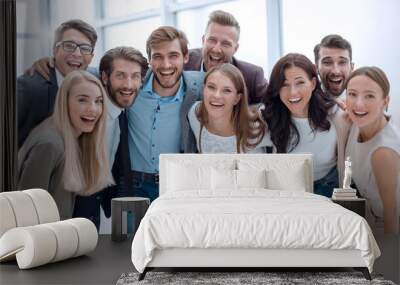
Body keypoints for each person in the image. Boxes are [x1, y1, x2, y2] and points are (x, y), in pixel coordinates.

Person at [18, 70, 113, 222]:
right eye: (82, 100)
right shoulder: (50, 145)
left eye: (98, 101)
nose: (93, 109)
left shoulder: (74, 137)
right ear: (64, 101)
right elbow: (26, 211)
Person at [73, 47, 149, 226]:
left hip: (98, 208)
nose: (128, 85)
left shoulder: (120, 113)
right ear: (105, 78)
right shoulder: (88, 114)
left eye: (135, 76)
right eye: (120, 75)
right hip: (72, 211)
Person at [127, 26, 204, 201]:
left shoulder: (199, 87)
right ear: (149, 60)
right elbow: (99, 75)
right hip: (134, 185)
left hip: (177, 184)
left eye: (173, 56)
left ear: (185, 57)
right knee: (130, 230)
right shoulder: (132, 87)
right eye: (158, 57)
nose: (166, 65)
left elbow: (233, 81)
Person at [262, 53, 349, 197]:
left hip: (329, 187)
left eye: (300, 82)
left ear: (313, 83)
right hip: (289, 191)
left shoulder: (335, 114)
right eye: (284, 85)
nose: (292, 92)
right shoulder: (269, 117)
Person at [17, 19, 97, 148]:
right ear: (55, 50)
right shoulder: (27, 88)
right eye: (69, 45)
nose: (77, 54)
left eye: (85, 48)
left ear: (92, 56)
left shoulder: (94, 79)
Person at [344, 66, 399, 234]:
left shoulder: (383, 154)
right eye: (352, 94)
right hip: (373, 220)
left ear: (385, 101)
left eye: (369, 96)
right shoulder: (359, 122)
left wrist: (389, 258)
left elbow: (393, 217)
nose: (359, 103)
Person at [184, 10, 268, 105]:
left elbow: (272, 106)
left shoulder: (252, 76)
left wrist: (242, 114)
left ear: (235, 49)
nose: (216, 49)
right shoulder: (184, 61)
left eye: (225, 44)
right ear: (203, 41)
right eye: (212, 40)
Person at [188, 63, 269, 153]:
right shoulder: (194, 114)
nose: (217, 95)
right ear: (204, 89)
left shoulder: (256, 129)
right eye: (211, 87)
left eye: (227, 90)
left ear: (237, 98)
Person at [314, 34, 354, 101]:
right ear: (316, 68)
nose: (336, 71)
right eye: (327, 62)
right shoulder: (305, 101)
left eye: (342, 62)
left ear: (351, 67)